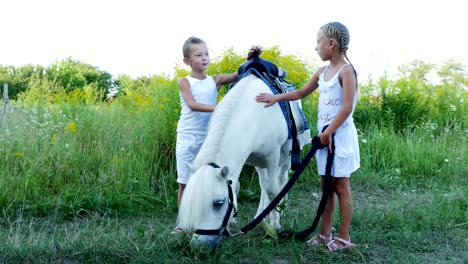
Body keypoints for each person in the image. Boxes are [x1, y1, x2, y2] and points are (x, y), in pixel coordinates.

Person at [255, 22, 360, 251]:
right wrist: (276, 98)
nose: (316, 48)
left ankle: (343, 238)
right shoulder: (322, 73)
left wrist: (329, 132)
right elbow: (301, 92)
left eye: (318, 42)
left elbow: (347, 107)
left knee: (341, 187)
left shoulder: (346, 72)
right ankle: (324, 234)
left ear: (330, 44)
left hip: (338, 138)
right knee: (326, 188)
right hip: (325, 139)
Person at [174, 37, 260, 233]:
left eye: (206, 54)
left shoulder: (216, 80)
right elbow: (193, 104)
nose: (204, 58)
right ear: (187, 61)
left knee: (208, 181)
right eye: (198, 55)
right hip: (187, 138)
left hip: (209, 140)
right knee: (185, 182)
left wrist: (251, 60)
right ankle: (183, 223)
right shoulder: (184, 82)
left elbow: (239, 74)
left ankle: (206, 218)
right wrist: (221, 108)